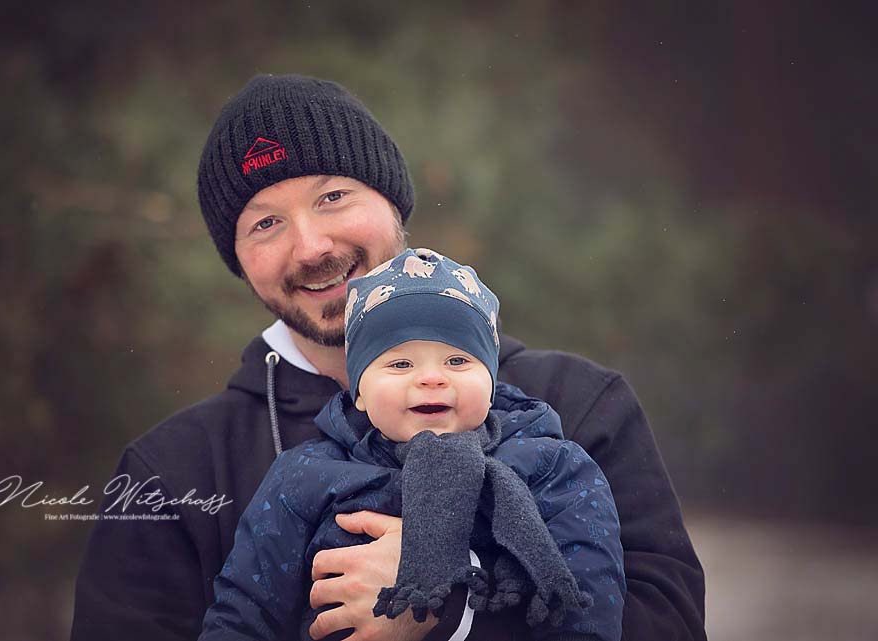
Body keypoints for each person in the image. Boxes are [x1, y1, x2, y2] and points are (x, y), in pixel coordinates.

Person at [71, 73, 706, 641]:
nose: (311, 246)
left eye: (332, 197)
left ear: (393, 202)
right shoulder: (173, 474)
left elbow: (669, 624)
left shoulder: (576, 406)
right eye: (265, 223)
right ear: (237, 261)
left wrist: (457, 615)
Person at [200, 248, 625, 641]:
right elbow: (246, 609)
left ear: (492, 384)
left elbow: (589, 602)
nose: (431, 378)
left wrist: (459, 601)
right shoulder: (307, 474)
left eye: (457, 360)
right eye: (400, 363)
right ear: (359, 394)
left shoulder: (551, 465)